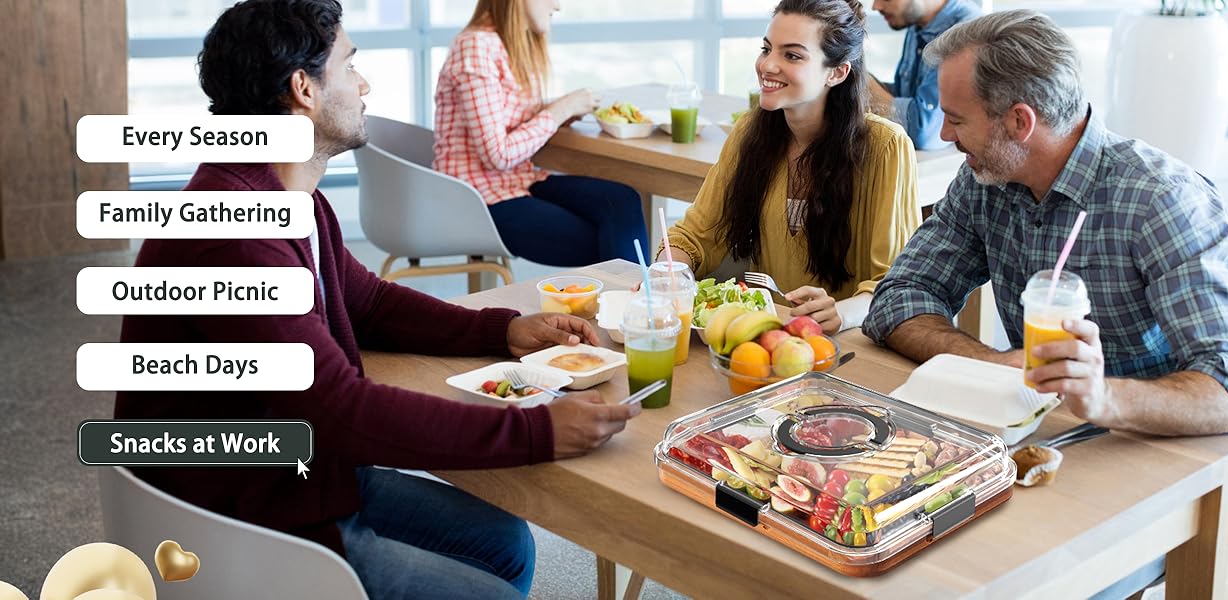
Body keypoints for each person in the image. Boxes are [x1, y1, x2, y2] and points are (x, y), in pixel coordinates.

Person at [115, 2, 640, 598]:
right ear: (303, 89)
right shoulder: (233, 235)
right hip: (242, 521)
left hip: (293, 474)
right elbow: (338, 409)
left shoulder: (286, 196)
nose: (364, 85)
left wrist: (505, 330)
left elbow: (368, 303)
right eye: (350, 65)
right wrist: (536, 430)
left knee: (506, 544)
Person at [863, 12, 1228, 595]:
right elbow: (899, 297)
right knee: (900, 552)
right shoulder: (985, 180)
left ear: (1020, 122)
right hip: (1033, 448)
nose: (946, 136)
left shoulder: (1161, 201)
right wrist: (991, 362)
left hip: (1145, 466)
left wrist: (1103, 397)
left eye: (956, 120)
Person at [660, 0, 920, 334]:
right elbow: (694, 236)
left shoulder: (887, 147)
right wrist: (669, 276)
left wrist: (841, 312)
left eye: (792, 55)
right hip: (766, 337)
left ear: (837, 72)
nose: (768, 65)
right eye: (767, 49)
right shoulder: (749, 131)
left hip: (850, 344)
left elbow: (896, 284)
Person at [433, 0, 649, 266]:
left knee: (622, 200)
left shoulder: (506, 45)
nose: (557, 6)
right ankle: (635, 303)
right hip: (479, 200)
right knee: (611, 243)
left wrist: (557, 111)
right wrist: (560, 109)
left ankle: (633, 302)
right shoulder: (476, 46)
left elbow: (502, 116)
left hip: (518, 181)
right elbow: (497, 155)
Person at [867, 0, 980, 150]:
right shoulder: (917, 25)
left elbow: (926, 133)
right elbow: (905, 96)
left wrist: (862, 79)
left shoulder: (966, 33)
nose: (876, 6)